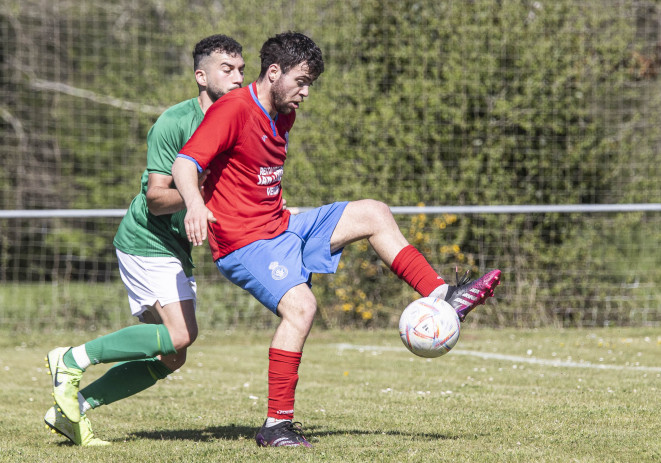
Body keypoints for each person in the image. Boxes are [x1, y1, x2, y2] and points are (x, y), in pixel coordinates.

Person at [171, 31, 502, 448]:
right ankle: (276, 425)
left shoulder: (283, 112)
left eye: (310, 84)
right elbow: (185, 164)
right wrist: (195, 207)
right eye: (301, 81)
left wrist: (271, 201)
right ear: (274, 73)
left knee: (374, 212)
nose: (306, 93)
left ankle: (442, 294)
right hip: (244, 243)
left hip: (280, 225)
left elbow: (253, 172)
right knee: (302, 308)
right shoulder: (233, 109)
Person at [43, 34, 246, 446]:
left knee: (172, 355)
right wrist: (198, 198)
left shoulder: (240, 121)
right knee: (180, 335)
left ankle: (73, 409)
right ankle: (70, 359)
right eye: (228, 69)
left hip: (174, 249)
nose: (239, 78)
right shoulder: (174, 122)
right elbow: (156, 200)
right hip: (146, 238)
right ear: (200, 76)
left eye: (242, 69)